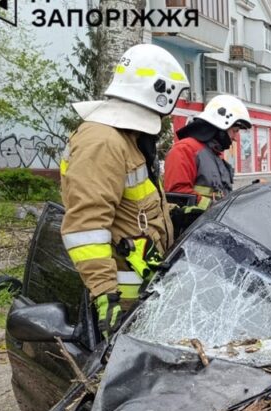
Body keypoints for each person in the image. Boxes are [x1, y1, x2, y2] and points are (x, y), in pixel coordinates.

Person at [59, 44, 189, 340]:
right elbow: (86, 227)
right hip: (121, 303)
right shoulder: (103, 141)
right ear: (160, 92)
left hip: (143, 295)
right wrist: (106, 294)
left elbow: (133, 210)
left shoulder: (126, 138)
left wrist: (176, 216)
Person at [164, 94, 252, 212]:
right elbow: (177, 194)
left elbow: (221, 194)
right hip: (194, 223)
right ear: (221, 126)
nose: (235, 138)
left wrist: (251, 190)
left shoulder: (213, 155)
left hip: (212, 221)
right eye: (234, 131)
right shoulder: (185, 150)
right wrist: (215, 208)